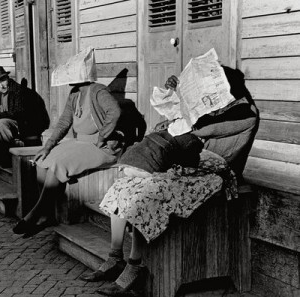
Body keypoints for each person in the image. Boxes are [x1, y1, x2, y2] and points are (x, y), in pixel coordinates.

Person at [80, 66, 259, 297]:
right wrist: (176, 98)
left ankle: (134, 268)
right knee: (123, 186)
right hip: (189, 165)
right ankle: (115, 258)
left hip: (215, 174)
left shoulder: (244, 113)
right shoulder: (211, 109)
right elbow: (178, 129)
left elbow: (200, 132)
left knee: (147, 194)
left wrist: (181, 114)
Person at [12, 78, 126, 238]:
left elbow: (114, 112)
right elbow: (64, 122)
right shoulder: (75, 94)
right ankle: (48, 215)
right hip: (80, 142)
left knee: (58, 164)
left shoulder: (99, 91)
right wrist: (48, 146)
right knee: (43, 160)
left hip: (101, 147)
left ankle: (37, 213)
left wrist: (103, 136)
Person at [0, 66, 49, 166]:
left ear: (7, 78)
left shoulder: (18, 91)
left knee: (1, 123)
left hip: (24, 125)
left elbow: (19, 113)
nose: (1, 86)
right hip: (9, 126)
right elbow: (1, 111)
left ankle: (9, 155)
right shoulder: (2, 93)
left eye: (2, 81)